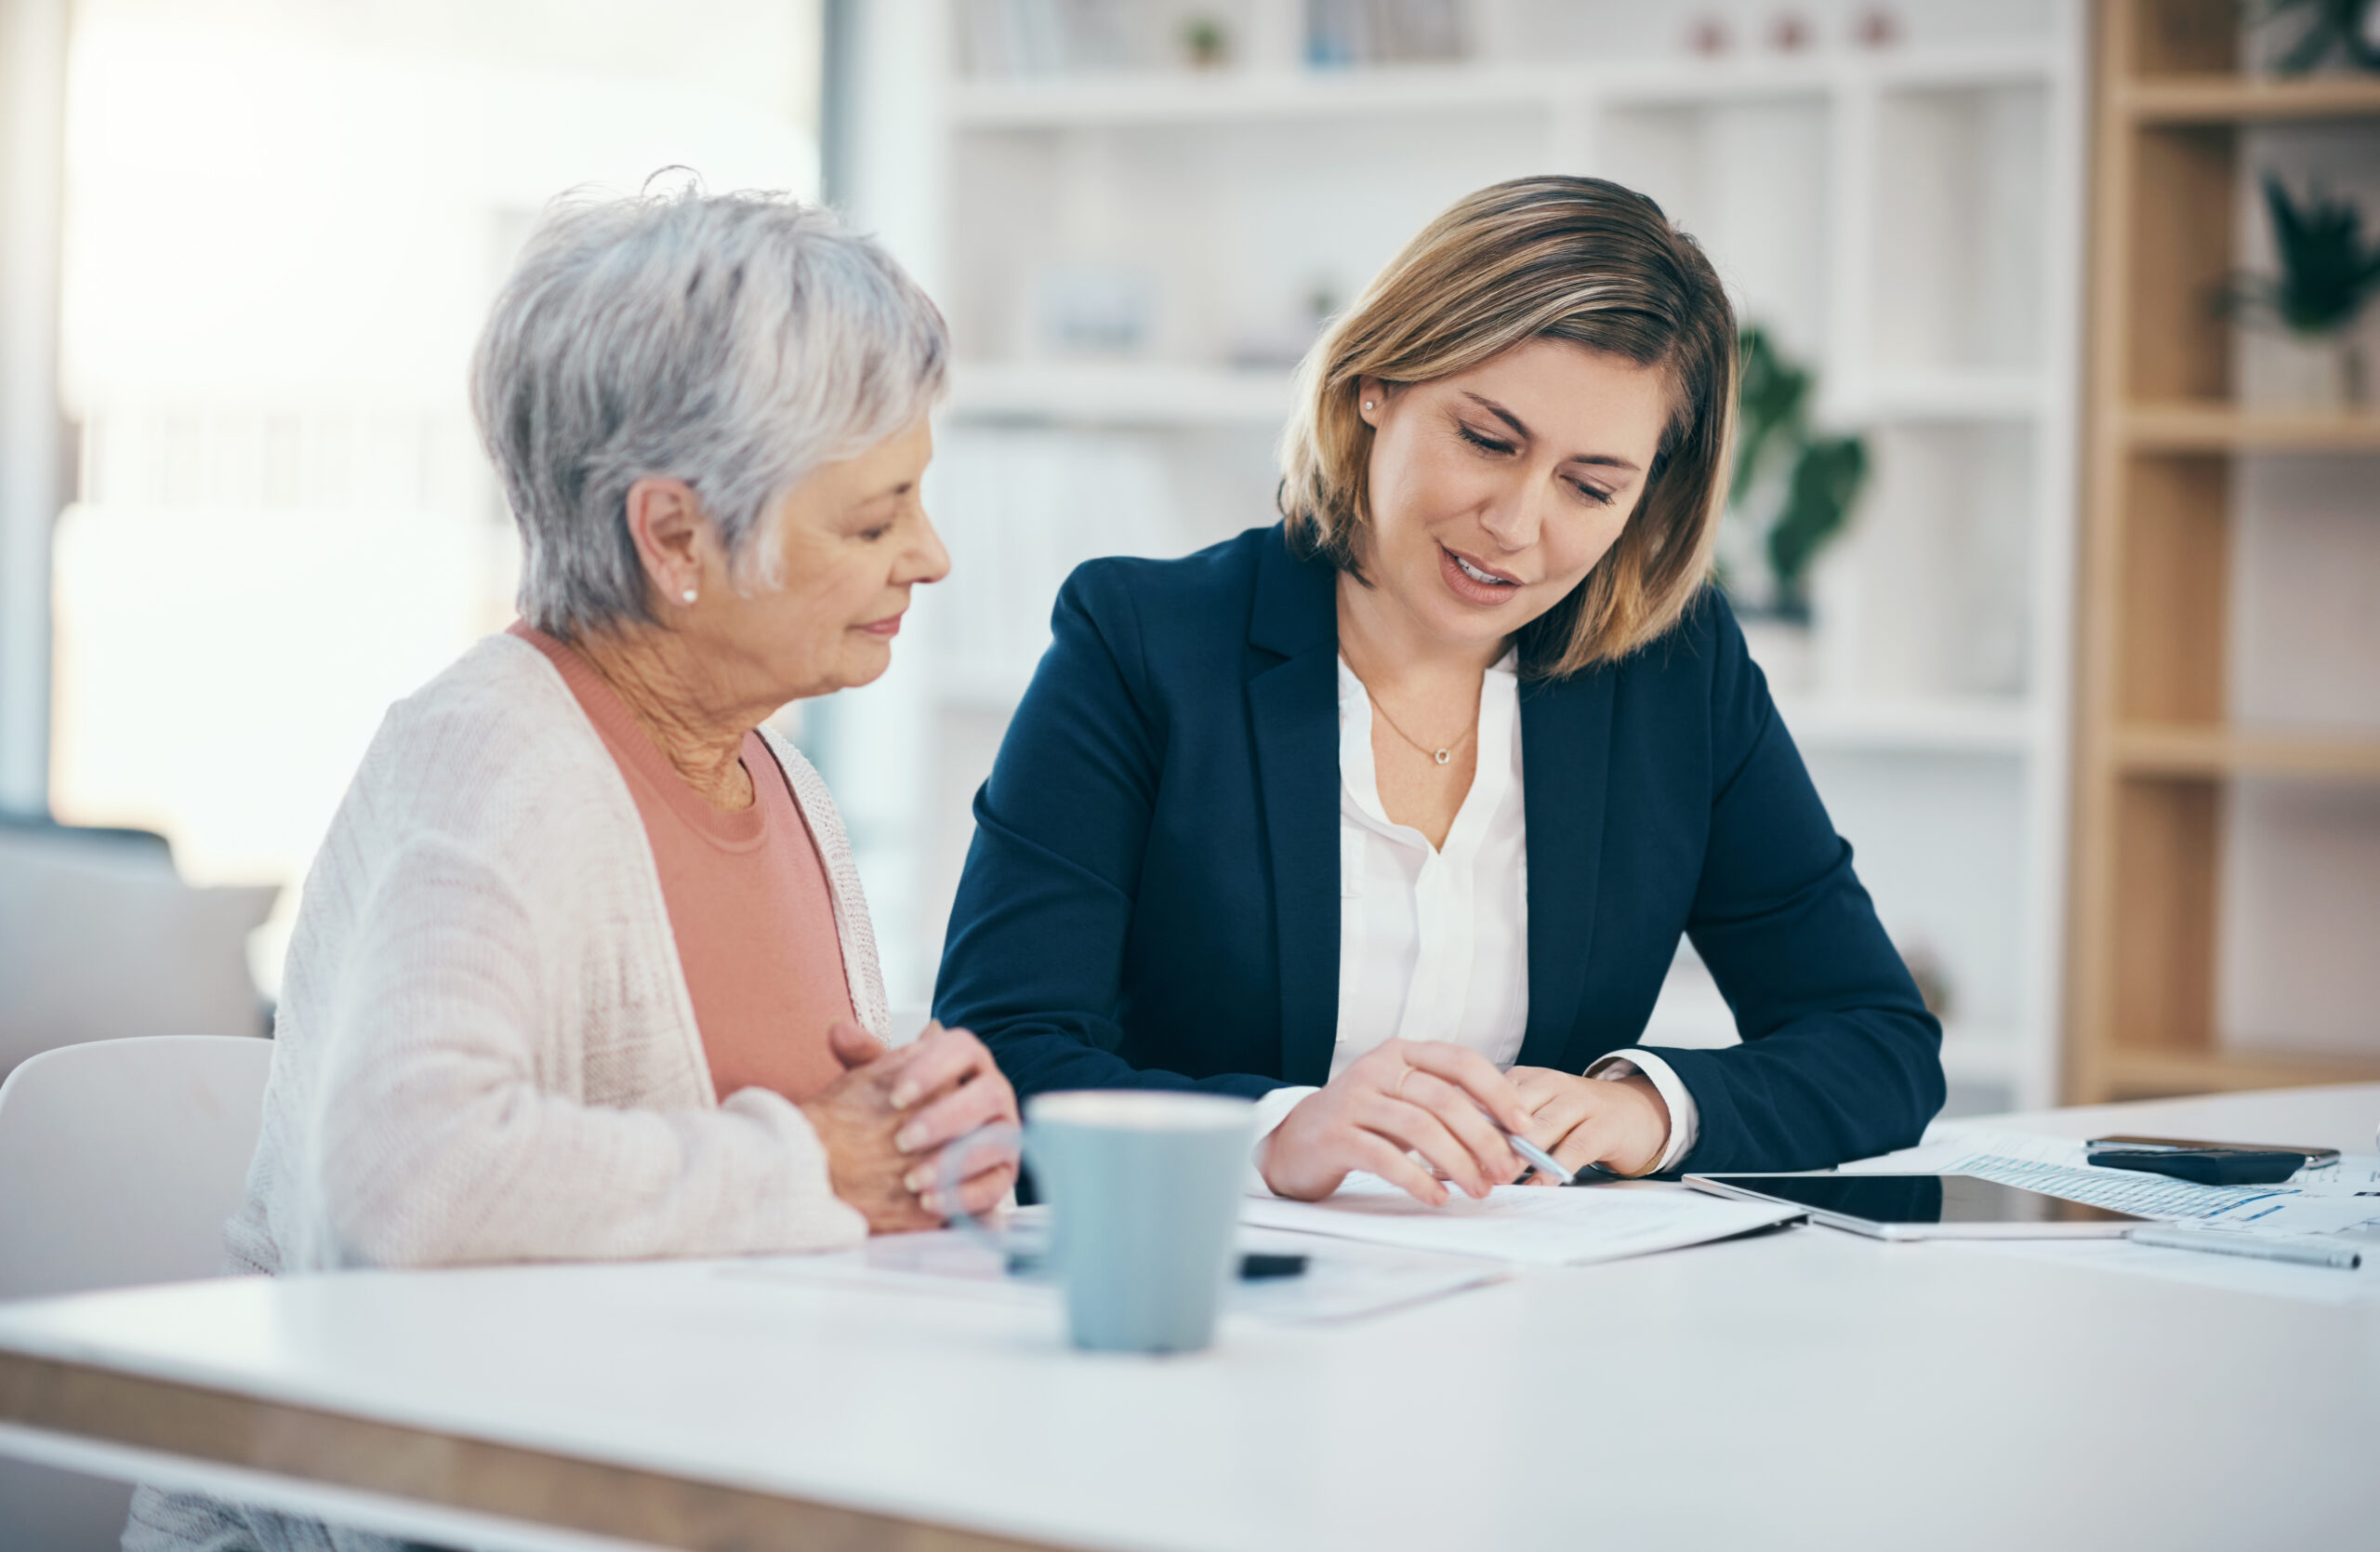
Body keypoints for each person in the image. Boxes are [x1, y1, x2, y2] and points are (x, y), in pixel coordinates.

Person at [126, 187, 1018, 1552]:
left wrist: (929, 1147)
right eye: (874, 518)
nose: (932, 556)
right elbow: (407, 1184)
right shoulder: (492, 757)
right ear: (674, 537)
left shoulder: (788, 783)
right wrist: (821, 1166)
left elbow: (780, 1185)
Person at [932, 176, 1943, 1208]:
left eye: (1589, 487)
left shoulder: (1675, 678)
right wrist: (1279, 1133)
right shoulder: (1142, 645)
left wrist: (1647, 1105)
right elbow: (995, 1059)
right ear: (1376, 382)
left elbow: (1876, 1043)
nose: (1515, 522)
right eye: (1488, 440)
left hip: (1535, 1315)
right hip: (1213, 1306)